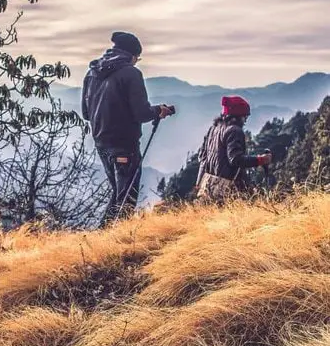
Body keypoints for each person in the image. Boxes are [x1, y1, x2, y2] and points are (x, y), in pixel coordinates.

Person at [82, 32, 174, 227]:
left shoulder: (92, 73)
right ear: (132, 55)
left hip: (101, 143)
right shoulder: (131, 74)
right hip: (124, 144)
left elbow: (85, 112)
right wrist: (158, 111)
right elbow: (141, 113)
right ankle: (118, 242)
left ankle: (103, 237)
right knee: (127, 198)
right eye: (137, 58)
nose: (136, 62)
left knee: (118, 194)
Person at [196, 96, 272, 201]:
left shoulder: (213, 129)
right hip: (227, 189)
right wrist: (260, 160)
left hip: (208, 187)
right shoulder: (234, 131)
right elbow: (235, 159)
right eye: (245, 116)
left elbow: (203, 157)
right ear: (238, 116)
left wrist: (199, 183)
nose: (245, 120)